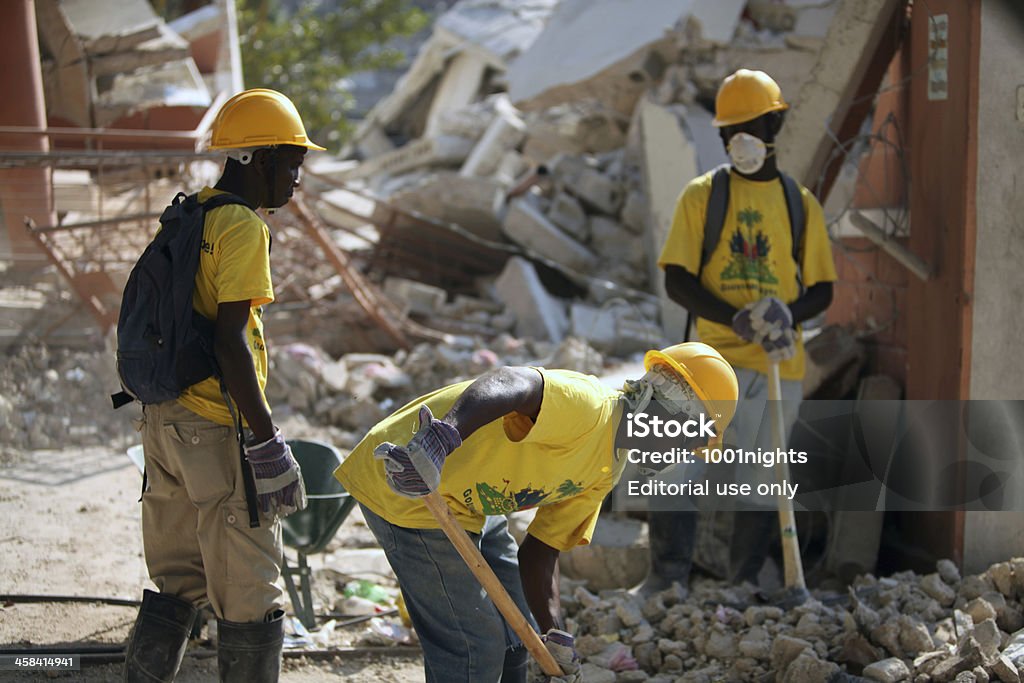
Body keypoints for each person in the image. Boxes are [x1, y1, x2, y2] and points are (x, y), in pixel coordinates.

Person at [334, 343, 738, 683]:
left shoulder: (605, 470)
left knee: (517, 636)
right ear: (669, 411)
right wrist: (441, 439)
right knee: (474, 644)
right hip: (409, 480)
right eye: (689, 440)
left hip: (474, 503)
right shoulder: (590, 408)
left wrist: (552, 631)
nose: (683, 454)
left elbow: (541, 552)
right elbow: (511, 381)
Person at [122, 89, 325, 683]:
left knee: (178, 582)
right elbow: (230, 341)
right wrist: (267, 443)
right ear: (259, 160)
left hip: (163, 421)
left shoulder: (194, 211)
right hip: (213, 428)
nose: (295, 179)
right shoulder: (242, 228)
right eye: (291, 164)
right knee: (251, 595)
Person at [641, 69, 837, 594]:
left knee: (758, 481)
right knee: (673, 469)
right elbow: (677, 279)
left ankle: (742, 582)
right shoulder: (702, 196)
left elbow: (822, 289)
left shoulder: (800, 205)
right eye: (731, 132)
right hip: (709, 362)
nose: (740, 141)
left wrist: (784, 315)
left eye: (752, 127)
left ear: (774, 125)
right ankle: (666, 581)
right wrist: (736, 319)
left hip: (776, 364)